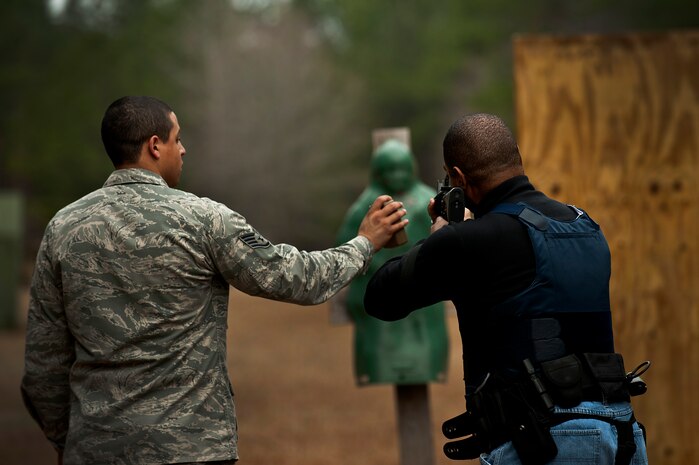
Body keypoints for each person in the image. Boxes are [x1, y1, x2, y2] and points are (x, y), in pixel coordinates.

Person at [21, 95, 408, 465]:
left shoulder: (63, 228)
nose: (183, 149)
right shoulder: (203, 220)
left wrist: (67, 440)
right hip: (191, 449)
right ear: (155, 146)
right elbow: (297, 279)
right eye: (177, 138)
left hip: (95, 448)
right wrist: (365, 243)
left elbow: (44, 363)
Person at [363, 113, 649, 465]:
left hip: (546, 443)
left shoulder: (469, 242)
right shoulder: (587, 227)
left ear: (457, 177)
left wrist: (440, 234)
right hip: (622, 436)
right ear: (516, 154)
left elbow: (380, 297)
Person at [335, 138, 448, 386]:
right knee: (381, 337)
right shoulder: (367, 206)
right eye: (390, 170)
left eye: (402, 169)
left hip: (421, 293)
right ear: (378, 172)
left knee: (425, 338)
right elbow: (344, 248)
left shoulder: (426, 200)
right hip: (380, 291)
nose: (397, 176)